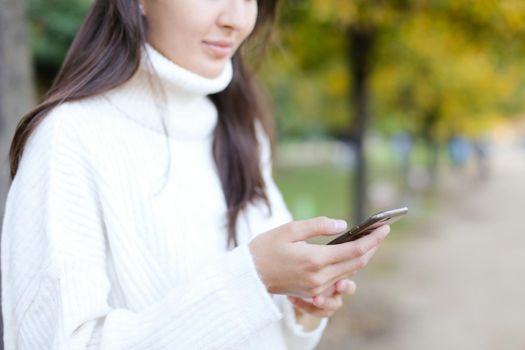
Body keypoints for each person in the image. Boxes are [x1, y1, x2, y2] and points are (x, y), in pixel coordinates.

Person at [1, 0, 391, 349]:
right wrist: (251, 280)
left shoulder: (240, 128)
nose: (237, 20)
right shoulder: (68, 139)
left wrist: (301, 308)